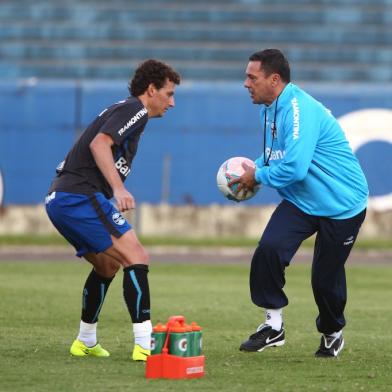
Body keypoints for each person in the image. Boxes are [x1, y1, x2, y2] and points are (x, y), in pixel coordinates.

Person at [230, 49, 368, 358]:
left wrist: (258, 176)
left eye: (252, 77)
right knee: (268, 250)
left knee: (324, 279)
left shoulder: (298, 109)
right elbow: (274, 158)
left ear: (274, 79)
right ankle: (273, 326)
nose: (245, 83)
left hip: (342, 204)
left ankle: (332, 332)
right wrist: (250, 170)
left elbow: (294, 167)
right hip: (301, 200)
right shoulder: (270, 107)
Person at [45, 59, 180, 361]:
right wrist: (118, 189)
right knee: (137, 257)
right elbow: (99, 144)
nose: (172, 103)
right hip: (78, 195)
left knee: (107, 266)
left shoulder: (126, 111)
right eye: (169, 94)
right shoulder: (136, 110)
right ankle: (146, 347)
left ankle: (85, 340)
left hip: (60, 199)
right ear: (151, 89)